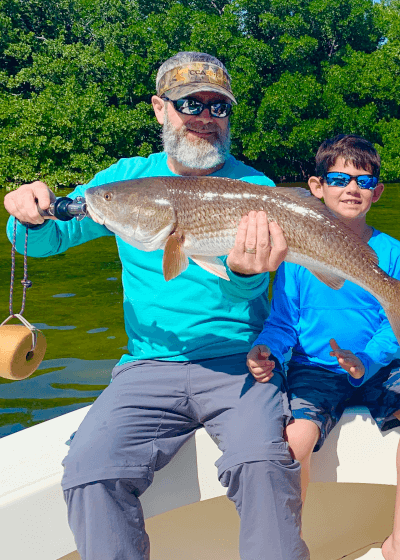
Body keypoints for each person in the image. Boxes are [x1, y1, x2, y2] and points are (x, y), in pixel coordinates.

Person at [4, 52, 310, 560]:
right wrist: (26, 216)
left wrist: (244, 270)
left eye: (219, 108)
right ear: (159, 109)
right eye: (191, 103)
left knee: (264, 465)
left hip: (239, 365)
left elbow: (248, 289)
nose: (206, 118)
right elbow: (44, 242)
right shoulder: (121, 183)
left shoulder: (252, 188)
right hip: (147, 366)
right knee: (89, 469)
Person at [247, 134, 400, 546]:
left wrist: (367, 359)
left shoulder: (392, 252)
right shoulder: (293, 254)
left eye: (364, 181)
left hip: (381, 366)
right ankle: (289, 545)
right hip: (314, 369)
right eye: (339, 178)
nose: (352, 188)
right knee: (294, 439)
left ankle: (397, 544)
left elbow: (394, 327)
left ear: (377, 192)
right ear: (316, 188)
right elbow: (282, 322)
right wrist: (269, 352)